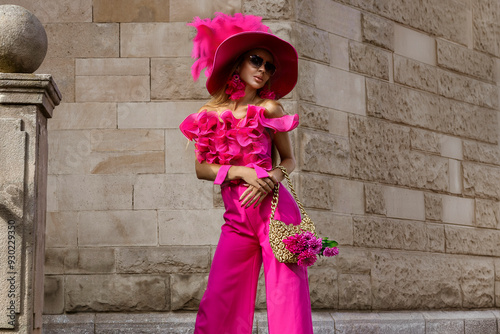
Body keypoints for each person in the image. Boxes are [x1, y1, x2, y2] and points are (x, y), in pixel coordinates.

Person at [179, 13, 313, 334]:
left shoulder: (270, 110)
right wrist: (241, 172)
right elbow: (201, 169)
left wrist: (273, 178)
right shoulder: (208, 115)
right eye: (256, 61)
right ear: (238, 63)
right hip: (237, 220)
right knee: (220, 304)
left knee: (289, 306)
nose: (263, 71)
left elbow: (290, 159)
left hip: (277, 217)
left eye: (269, 67)